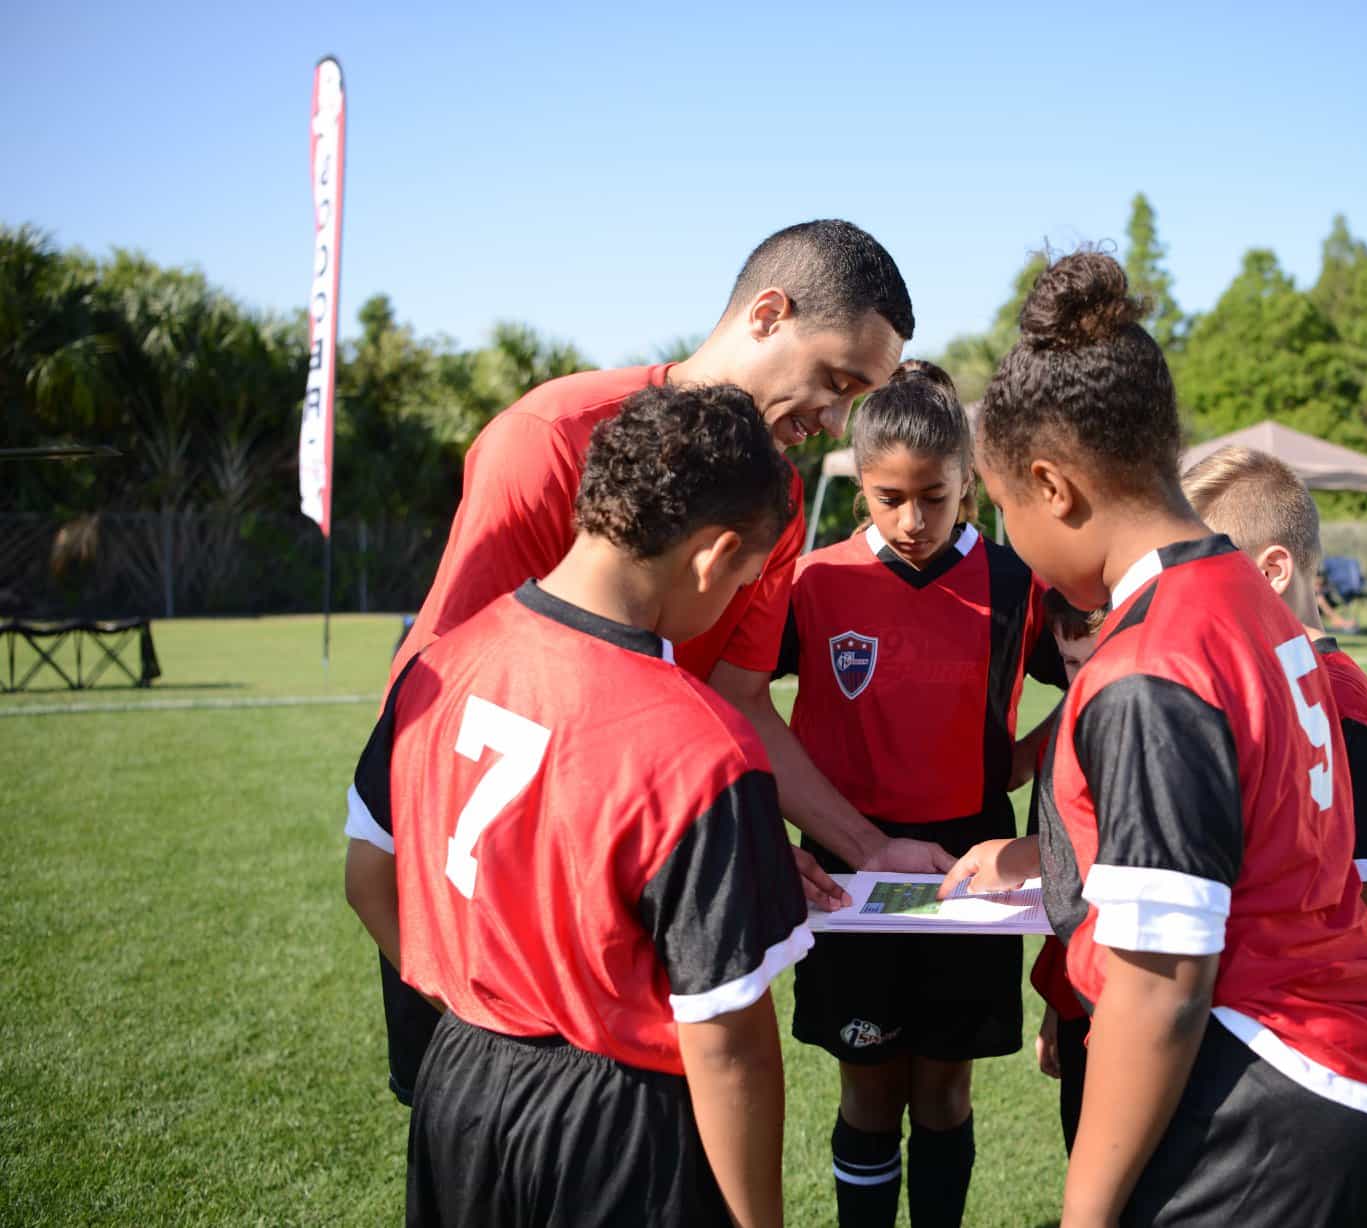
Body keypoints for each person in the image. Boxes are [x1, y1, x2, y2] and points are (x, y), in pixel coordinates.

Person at [344, 220, 949, 1108]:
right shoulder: (551, 437)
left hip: (629, 893)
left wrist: (863, 846)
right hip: (487, 904)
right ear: (768, 314)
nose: (834, 422)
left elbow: (739, 700)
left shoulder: (778, 497)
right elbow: (456, 690)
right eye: (835, 382)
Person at [943, 251, 1367, 1228]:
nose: (1006, 537)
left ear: (1052, 486)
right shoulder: (1248, 599)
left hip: (1264, 1086)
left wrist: (1084, 1214)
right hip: (1352, 1075)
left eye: (1000, 507)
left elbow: (1161, 985)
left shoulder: (1150, 665)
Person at [345, 384, 812, 1226]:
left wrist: (484, 1009)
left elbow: (367, 877)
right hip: (619, 1124)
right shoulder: (702, 749)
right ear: (715, 557)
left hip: (458, 1083)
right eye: (745, 579)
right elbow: (728, 1047)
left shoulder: (437, 667)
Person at [776, 361, 1067, 1228]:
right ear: (859, 485)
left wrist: (1022, 759)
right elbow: (735, 697)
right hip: (849, 869)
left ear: (966, 482)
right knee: (867, 1089)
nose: (911, 520)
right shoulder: (814, 582)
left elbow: (1104, 681)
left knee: (943, 1090)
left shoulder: (1015, 584)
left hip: (971, 867)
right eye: (888, 498)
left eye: (933, 498)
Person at [1180, 445, 1367, 909]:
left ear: (1272, 571)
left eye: (1195, 576)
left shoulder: (1327, 693)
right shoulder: (1280, 676)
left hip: (1295, 954)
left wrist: (1258, 881)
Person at [1026, 591, 1106, 1154]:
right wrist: (1058, 1003)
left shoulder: (1151, 731)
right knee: (1083, 1146)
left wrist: (1014, 855)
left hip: (1144, 1000)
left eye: (1097, 661)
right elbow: (1066, 892)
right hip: (1082, 995)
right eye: (1071, 663)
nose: (1085, 680)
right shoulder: (1063, 734)